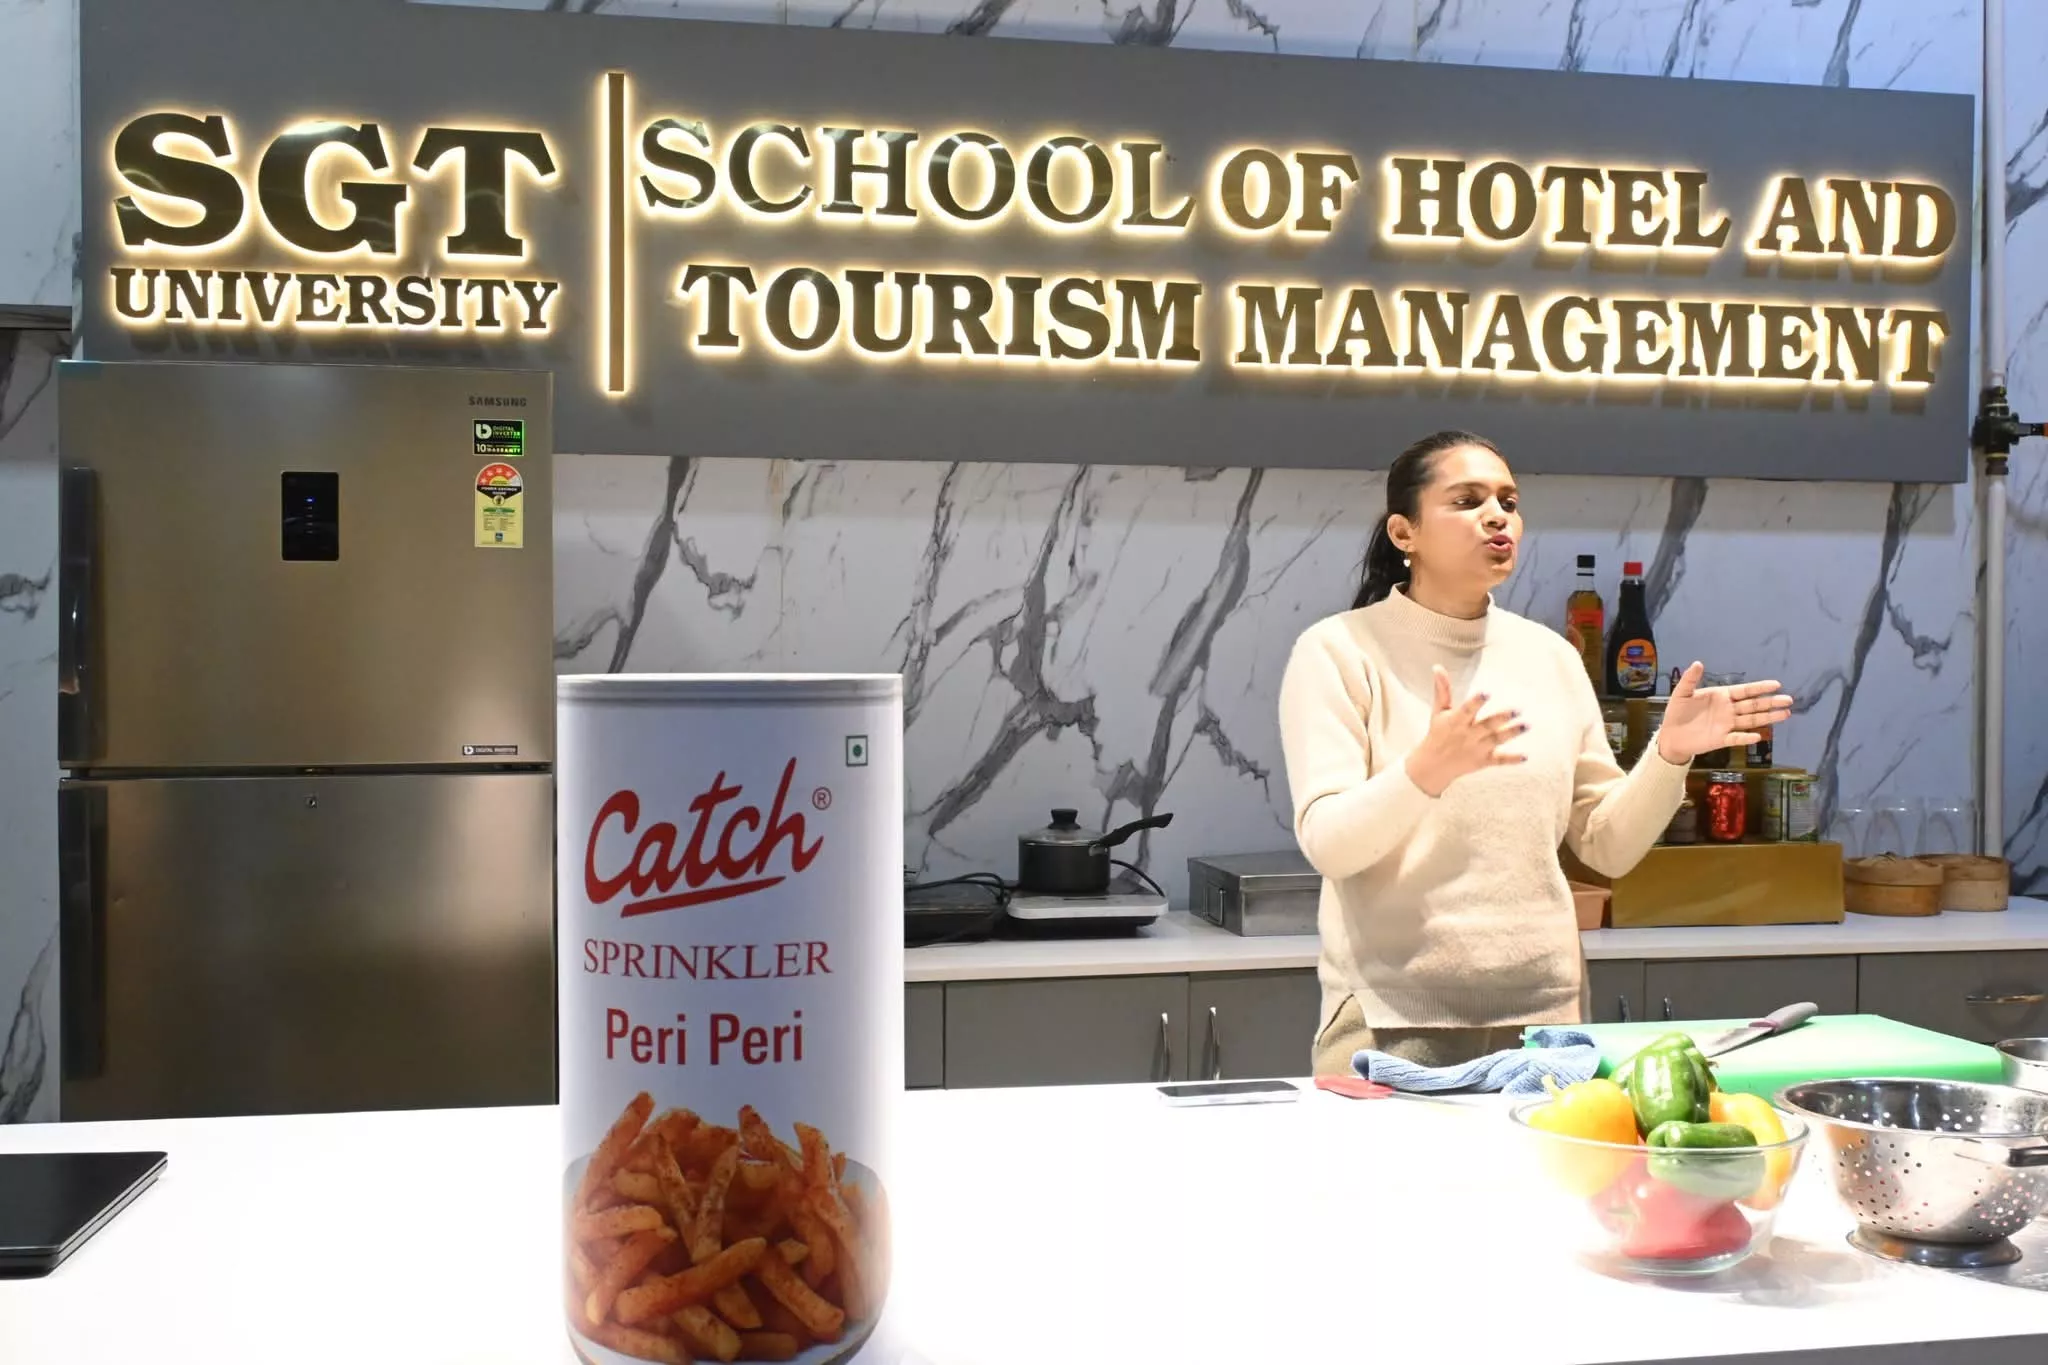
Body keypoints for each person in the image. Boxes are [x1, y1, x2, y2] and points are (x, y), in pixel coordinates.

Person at [1278, 431, 1794, 1077]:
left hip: (1548, 1026)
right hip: (1391, 1022)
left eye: (1508, 501)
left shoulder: (1551, 657)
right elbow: (1329, 844)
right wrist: (1424, 771)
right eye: (1467, 500)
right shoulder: (1338, 652)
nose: (1497, 516)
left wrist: (1670, 754)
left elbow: (1606, 845)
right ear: (1404, 532)